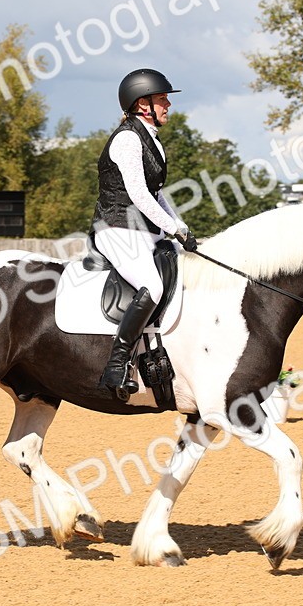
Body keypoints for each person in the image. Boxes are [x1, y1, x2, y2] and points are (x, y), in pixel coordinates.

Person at [89, 68, 196, 400]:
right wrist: (172, 227)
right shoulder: (126, 139)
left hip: (143, 232)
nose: (168, 105)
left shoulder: (151, 139)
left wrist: (181, 227)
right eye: (162, 98)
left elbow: (158, 193)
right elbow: (138, 195)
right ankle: (118, 364)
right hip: (117, 228)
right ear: (142, 104)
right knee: (152, 285)